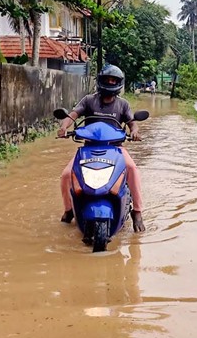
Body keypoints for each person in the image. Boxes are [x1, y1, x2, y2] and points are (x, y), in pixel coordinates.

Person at [58, 65, 146, 233]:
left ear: (119, 83)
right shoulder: (89, 100)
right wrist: (64, 127)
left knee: (133, 169)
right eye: (107, 79)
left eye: (114, 80)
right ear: (101, 81)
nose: (110, 82)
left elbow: (132, 122)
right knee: (66, 175)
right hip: (88, 149)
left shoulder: (123, 104)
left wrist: (134, 131)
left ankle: (137, 212)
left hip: (115, 149)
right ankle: (69, 210)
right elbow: (72, 115)